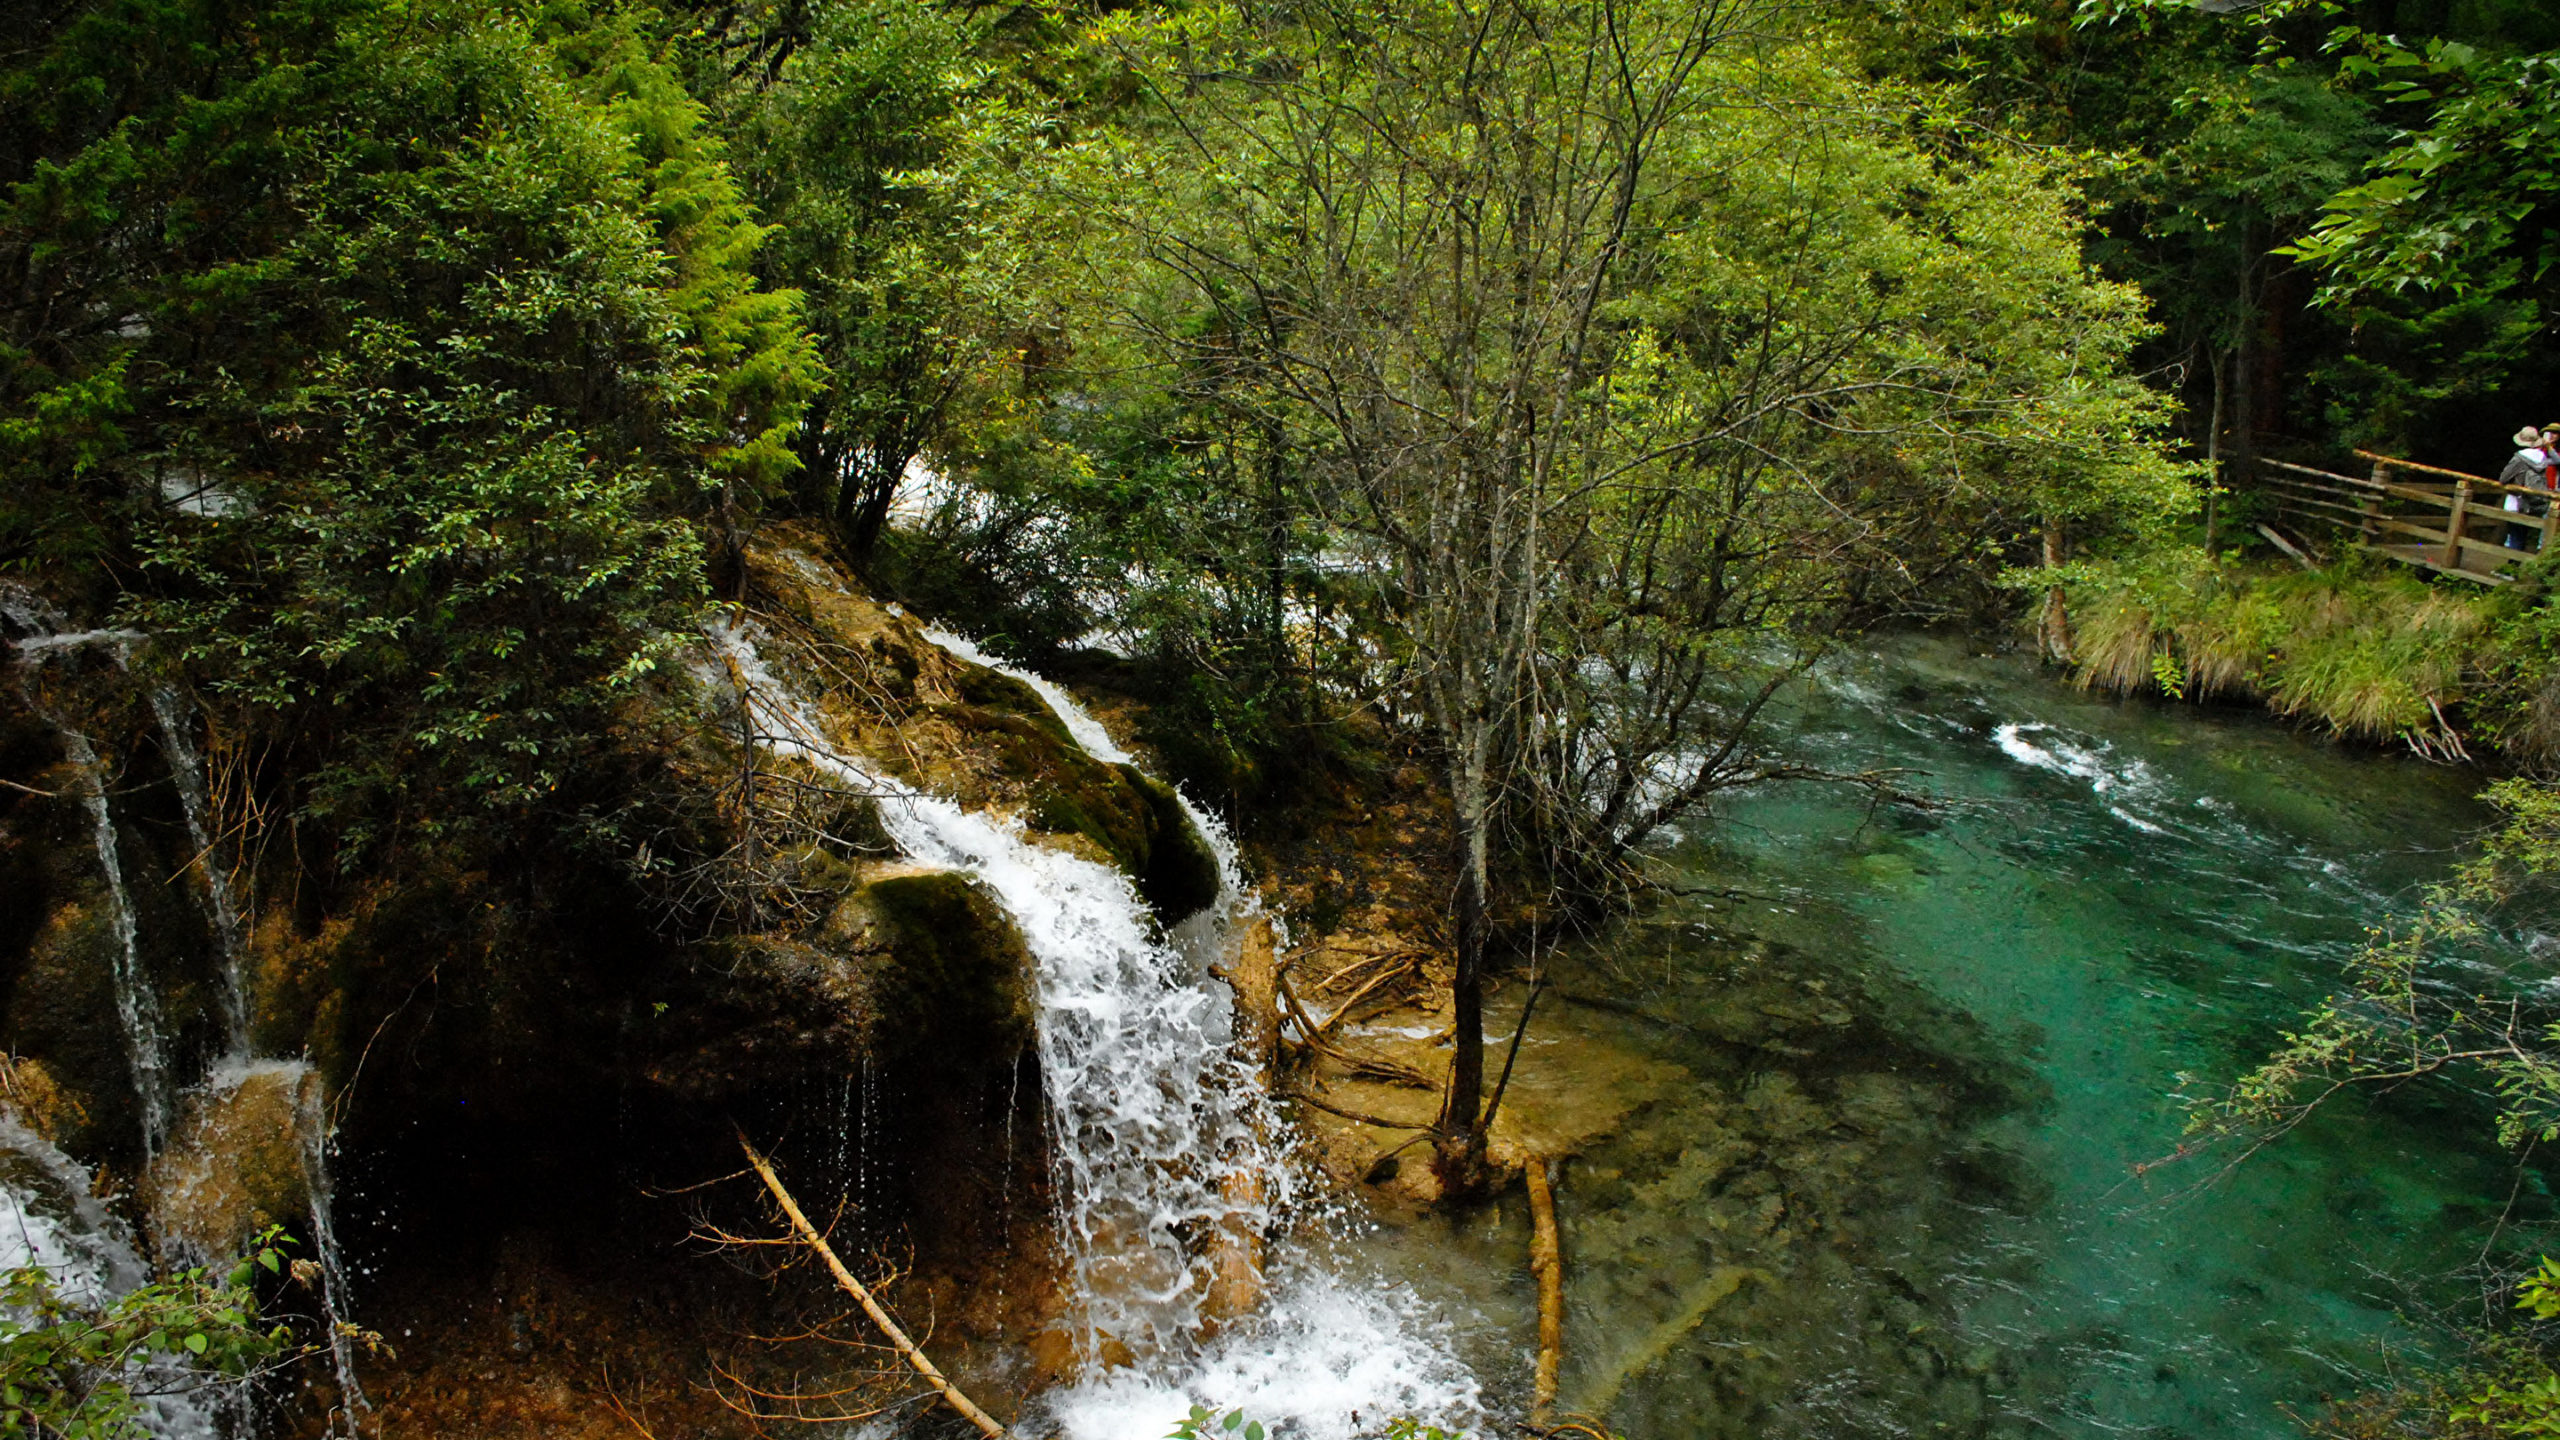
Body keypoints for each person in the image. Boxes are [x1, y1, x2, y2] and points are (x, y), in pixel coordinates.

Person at [2500, 425, 2552, 548]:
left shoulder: (2519, 458)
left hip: (2517, 501)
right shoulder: (2542, 458)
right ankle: (2514, 564)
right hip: (2533, 501)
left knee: (2515, 534)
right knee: (2522, 534)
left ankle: (2512, 565)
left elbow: (2504, 478)